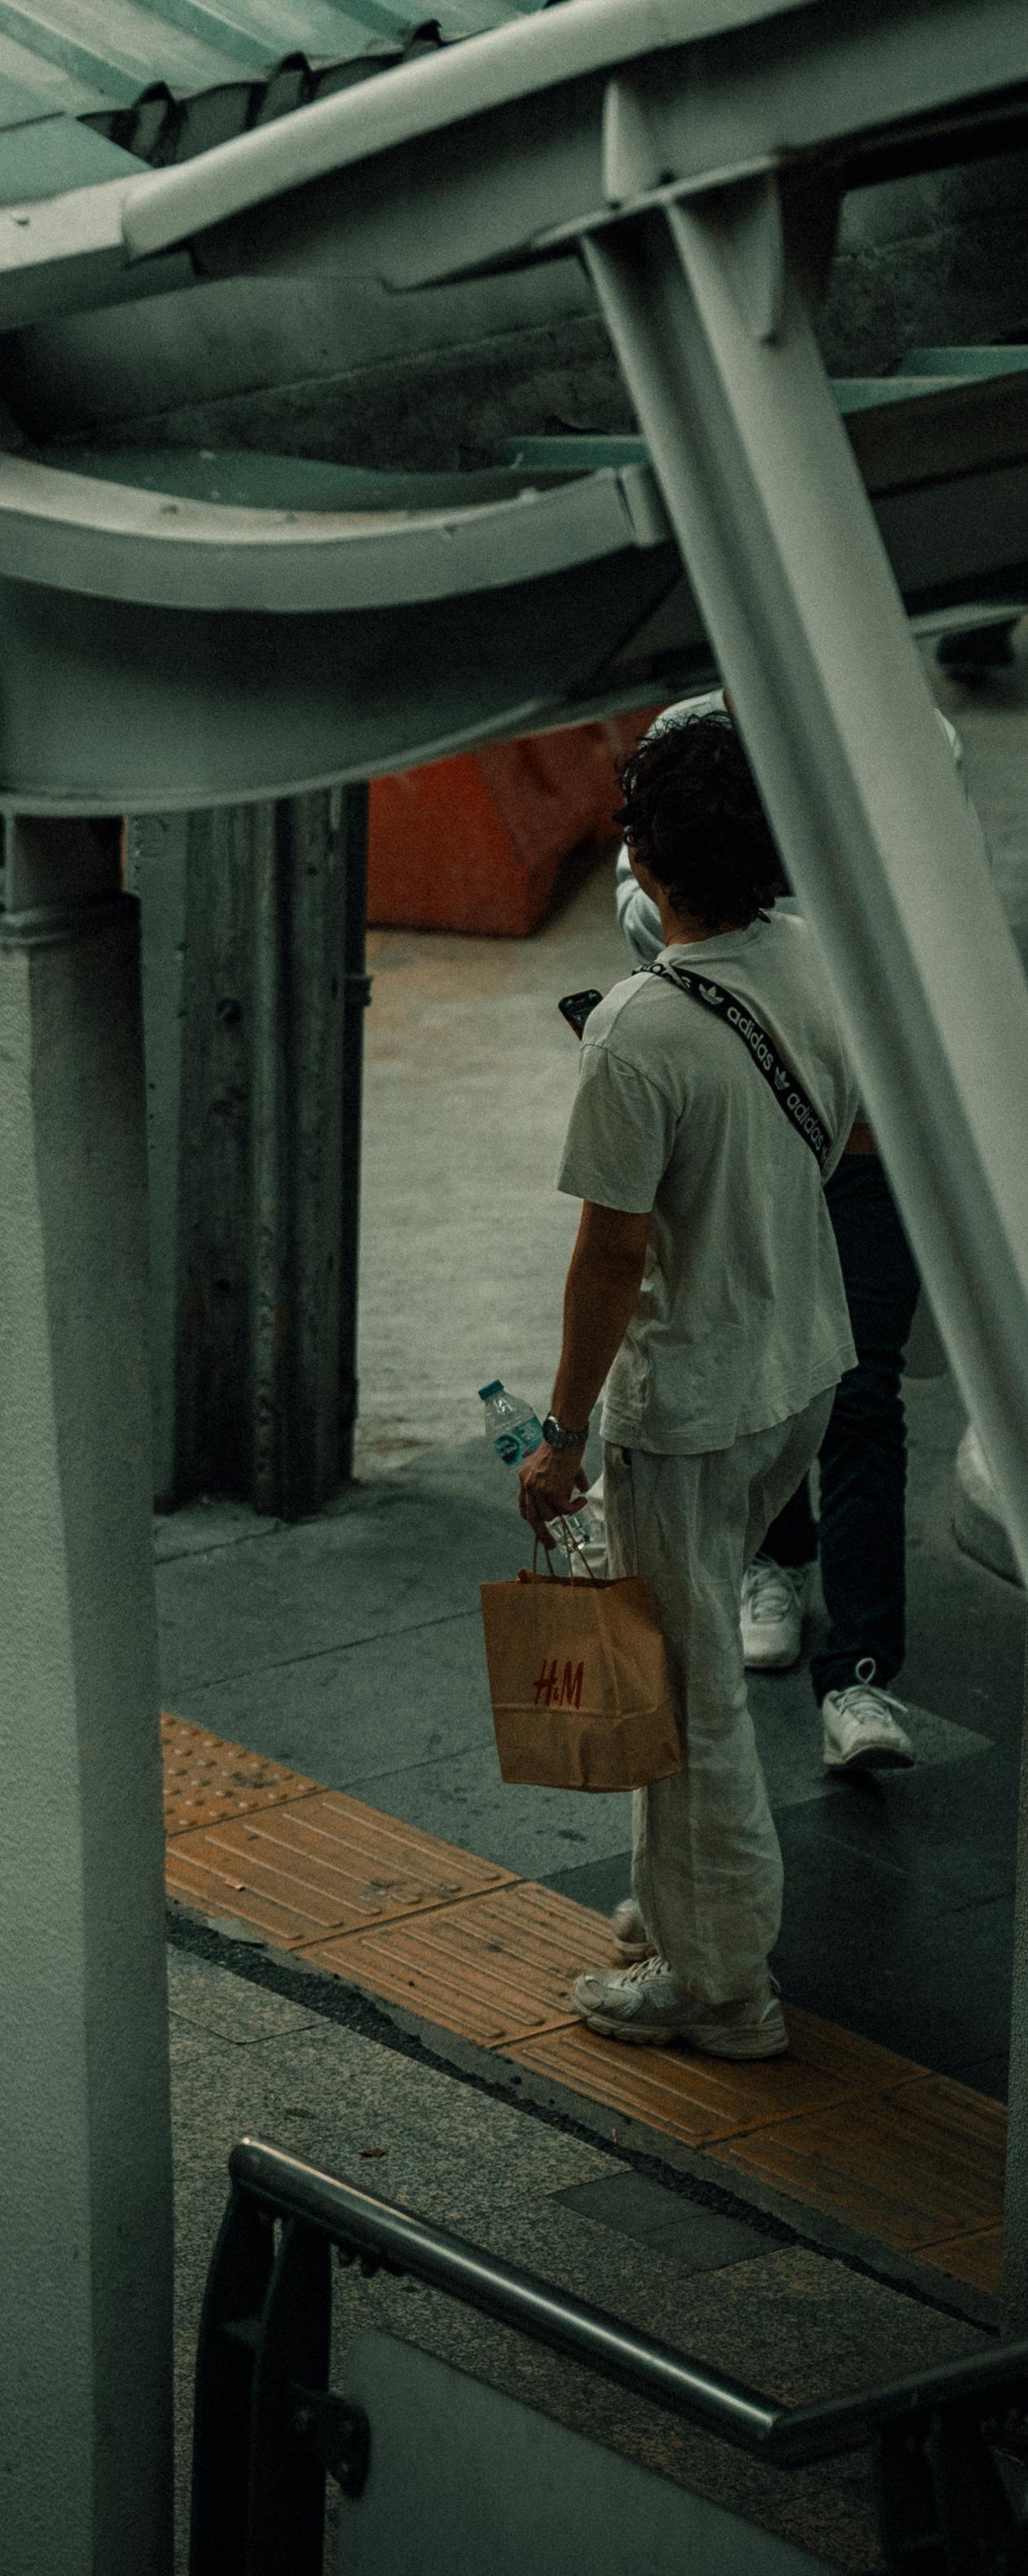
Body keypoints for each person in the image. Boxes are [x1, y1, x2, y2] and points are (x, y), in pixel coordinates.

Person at [516, 710, 860, 2060]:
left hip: (694, 1400)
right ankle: (677, 1905)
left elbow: (610, 1257)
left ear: (643, 855)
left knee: (681, 1685)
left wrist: (557, 1439)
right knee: (680, 1661)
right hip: (801, 1364)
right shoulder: (814, 962)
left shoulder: (637, 1031)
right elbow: (841, 1132)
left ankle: (720, 1984)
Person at [614, 694, 930, 1774]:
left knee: (859, 1395)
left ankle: (859, 1678)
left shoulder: (893, 739)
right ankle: (777, 1561)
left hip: (863, 1160)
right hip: (751, 1158)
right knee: (765, 1378)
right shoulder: (683, 757)